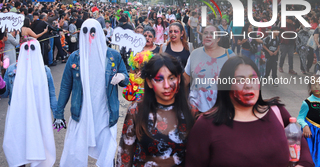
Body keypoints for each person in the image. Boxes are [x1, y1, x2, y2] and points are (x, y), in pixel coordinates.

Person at [185, 56, 314, 167]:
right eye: (240, 80)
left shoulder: (277, 112)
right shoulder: (205, 125)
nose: (248, 85)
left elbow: (304, 153)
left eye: (253, 79)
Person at [54, 19, 129, 167]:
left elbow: (125, 79)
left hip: (105, 113)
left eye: (93, 32)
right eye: (85, 32)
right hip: (81, 114)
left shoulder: (113, 56)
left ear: (99, 33)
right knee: (74, 153)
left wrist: (122, 77)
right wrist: (58, 113)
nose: (90, 36)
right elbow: (65, 87)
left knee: (107, 154)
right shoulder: (74, 58)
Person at [116, 53, 195, 166]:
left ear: (178, 79)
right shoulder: (136, 111)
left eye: (171, 78)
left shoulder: (191, 112)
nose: (167, 85)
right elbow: (124, 157)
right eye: (159, 79)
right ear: (149, 82)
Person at [2, 39, 57, 167]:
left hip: (38, 116)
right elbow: (5, 94)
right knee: (18, 147)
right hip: (18, 117)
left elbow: (51, 95)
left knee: (39, 146)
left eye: (32, 48)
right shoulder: (11, 70)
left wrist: (57, 115)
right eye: (25, 49)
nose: (28, 52)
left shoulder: (45, 71)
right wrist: (1, 82)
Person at [184, 25, 235, 112]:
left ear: (218, 39)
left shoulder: (229, 55)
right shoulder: (194, 54)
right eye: (205, 33)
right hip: (196, 109)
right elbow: (185, 80)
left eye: (212, 33)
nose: (208, 36)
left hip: (220, 110)